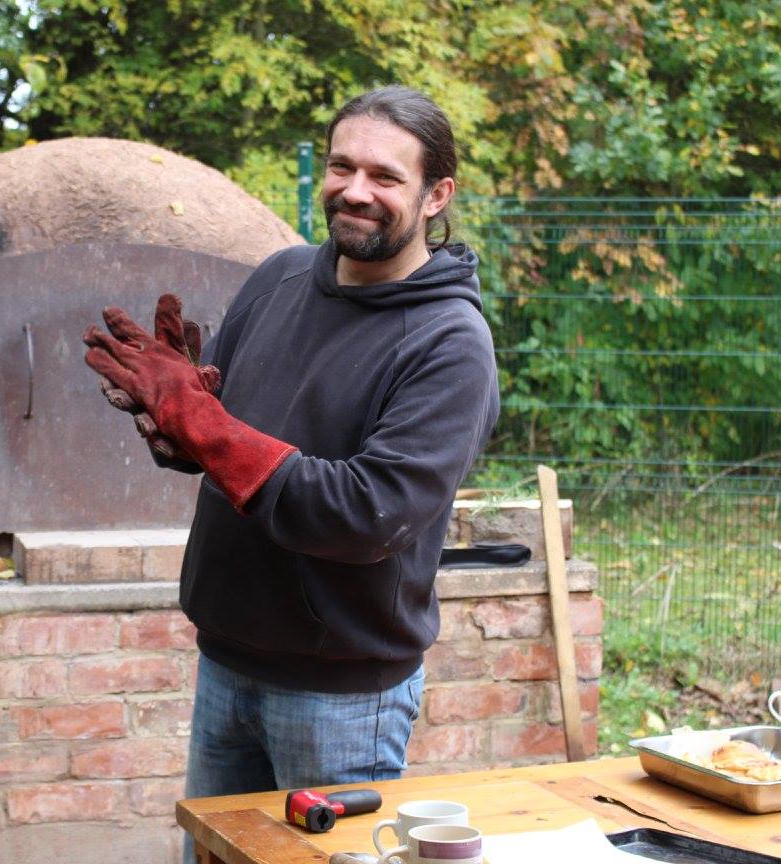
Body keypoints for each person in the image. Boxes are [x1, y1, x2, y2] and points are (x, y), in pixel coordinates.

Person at [82, 85, 499, 861]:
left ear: (437, 195)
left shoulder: (449, 342)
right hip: (227, 660)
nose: (355, 191)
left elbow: (364, 513)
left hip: (341, 697)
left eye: (385, 176)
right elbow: (233, 447)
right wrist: (178, 426)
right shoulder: (278, 278)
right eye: (342, 167)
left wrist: (207, 427)